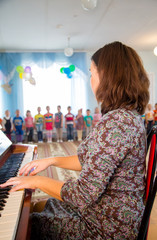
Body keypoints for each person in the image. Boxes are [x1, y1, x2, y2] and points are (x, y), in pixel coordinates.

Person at [0, 41, 150, 240]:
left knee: (27, 223)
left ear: (106, 75)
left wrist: (36, 180)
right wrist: (52, 160)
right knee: (39, 208)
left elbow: (82, 195)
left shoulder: (117, 123)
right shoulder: (125, 117)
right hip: (109, 213)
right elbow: (87, 158)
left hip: (106, 226)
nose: (90, 80)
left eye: (91, 73)